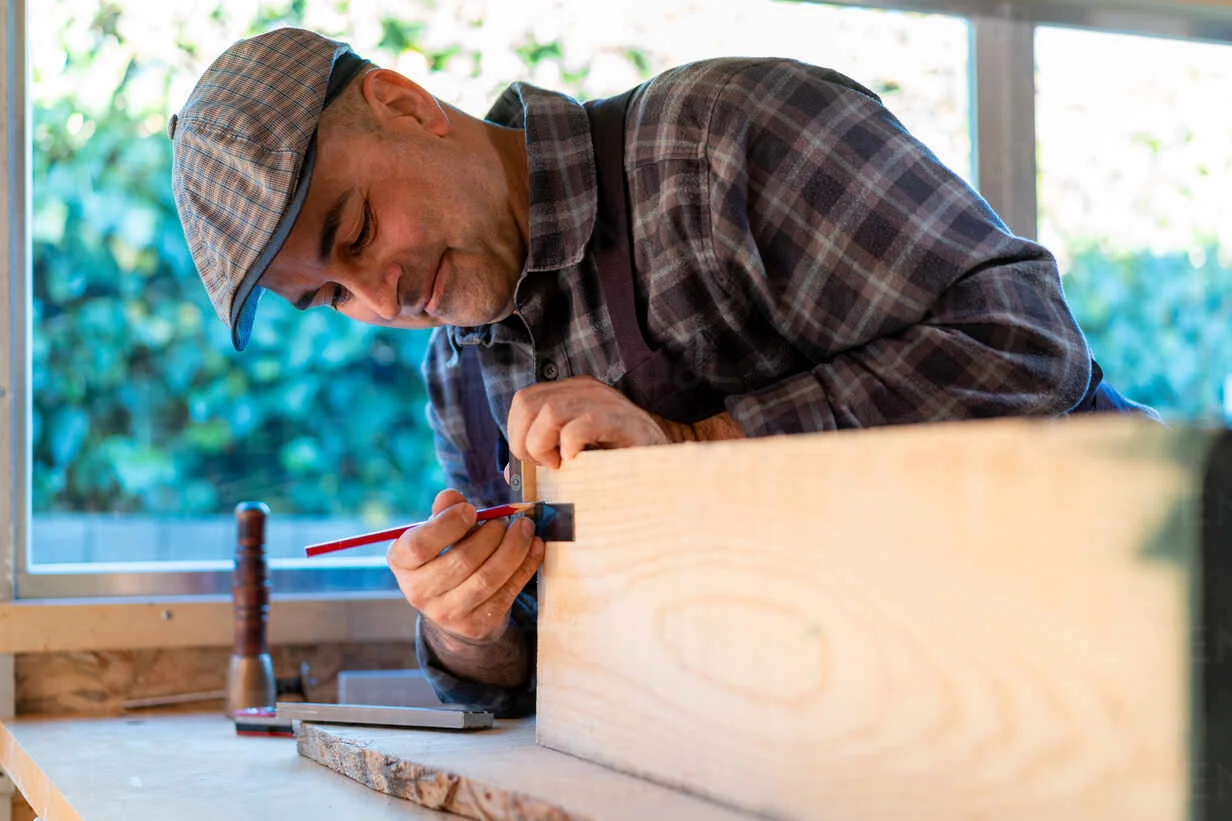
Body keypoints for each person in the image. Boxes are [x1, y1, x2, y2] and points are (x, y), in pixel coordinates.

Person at [169, 27, 1157, 717]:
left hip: (1135, 645)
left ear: (402, 103)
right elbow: (528, 669)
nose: (380, 302)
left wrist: (693, 452)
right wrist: (469, 627)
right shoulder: (460, 368)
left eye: (356, 230)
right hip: (870, 729)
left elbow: (1022, 344)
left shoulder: (718, 139)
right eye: (331, 297)